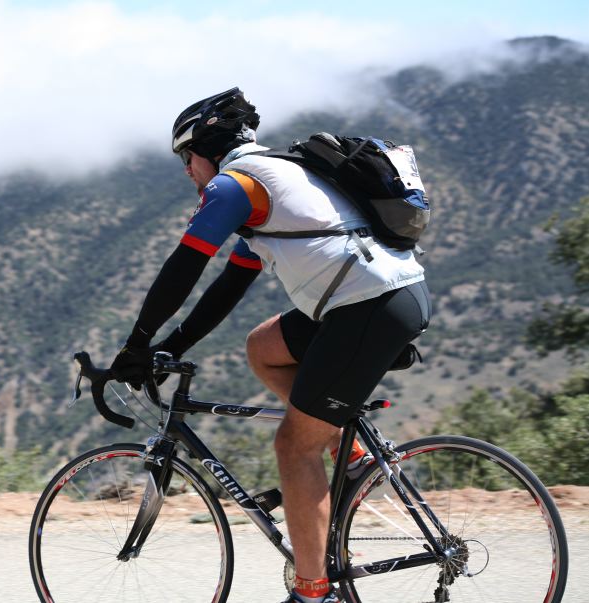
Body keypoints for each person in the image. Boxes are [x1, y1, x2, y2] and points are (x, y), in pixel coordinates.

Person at [110, 87, 431, 603]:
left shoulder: (236, 186)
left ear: (206, 150)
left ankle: (313, 592)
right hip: (385, 298)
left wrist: (137, 343)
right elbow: (228, 285)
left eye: (185, 158)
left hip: (368, 307)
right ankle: (347, 453)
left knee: (292, 446)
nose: (186, 171)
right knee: (265, 346)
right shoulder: (275, 178)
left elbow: (185, 266)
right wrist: (172, 343)